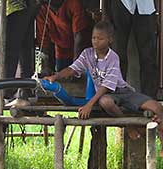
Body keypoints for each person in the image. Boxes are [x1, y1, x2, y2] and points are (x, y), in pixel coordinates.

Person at [44, 21, 163, 157]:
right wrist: (56, 76)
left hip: (121, 91)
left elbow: (107, 85)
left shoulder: (113, 57)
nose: (96, 42)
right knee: (105, 102)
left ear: (109, 40)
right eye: (94, 38)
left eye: (100, 38)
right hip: (106, 96)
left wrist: (89, 104)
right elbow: (73, 69)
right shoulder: (87, 54)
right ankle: (129, 126)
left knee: (156, 106)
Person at [106, 0, 158, 98]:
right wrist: (106, 12)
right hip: (121, 4)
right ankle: (116, 96)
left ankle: (149, 99)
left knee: (148, 56)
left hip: (146, 6)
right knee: (117, 55)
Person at [36, 0, 92, 75]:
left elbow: (79, 36)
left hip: (83, 52)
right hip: (62, 52)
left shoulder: (73, 3)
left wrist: (75, 67)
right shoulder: (42, 9)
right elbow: (43, 41)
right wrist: (46, 67)